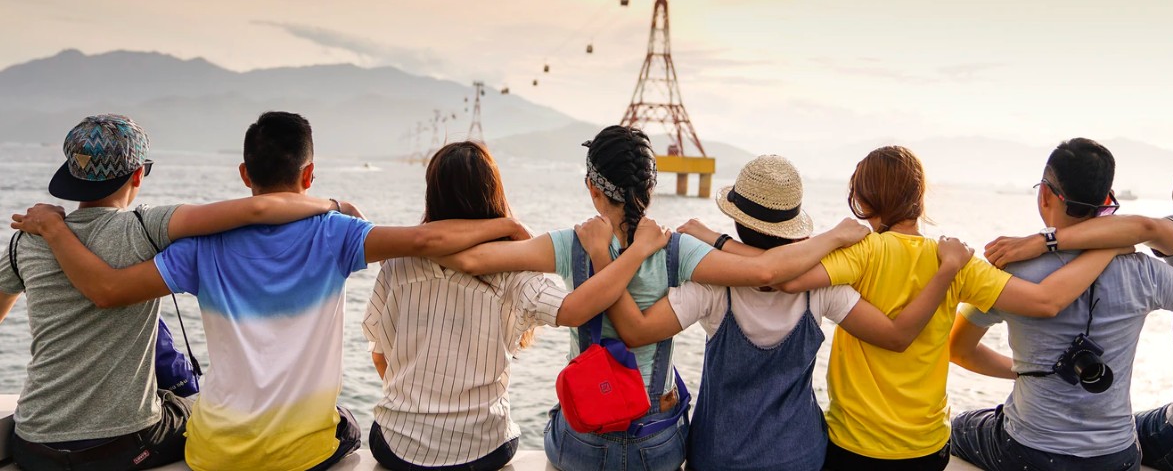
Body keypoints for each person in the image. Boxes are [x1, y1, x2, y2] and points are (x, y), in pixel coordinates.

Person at [10, 112, 533, 471]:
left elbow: (111, 288)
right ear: (309, 173)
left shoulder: (200, 244)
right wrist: (510, 227)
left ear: (244, 174)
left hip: (212, 453)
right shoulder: (339, 234)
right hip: (301, 456)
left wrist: (56, 233)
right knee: (346, 423)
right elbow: (427, 239)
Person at [436, 127, 871, 471]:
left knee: (559, 417)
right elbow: (766, 270)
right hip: (657, 443)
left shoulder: (571, 242)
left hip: (585, 442)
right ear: (651, 186)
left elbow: (470, 259)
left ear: (592, 188)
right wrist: (833, 236)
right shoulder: (678, 250)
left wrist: (508, 226)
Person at [686, 145, 1125, 470]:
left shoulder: (861, 253)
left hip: (855, 445)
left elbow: (778, 275)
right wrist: (1111, 242)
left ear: (866, 201)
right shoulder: (957, 262)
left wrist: (712, 240)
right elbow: (1045, 301)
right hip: (927, 447)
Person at [592, 154, 978, 471]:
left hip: (719, 456)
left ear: (738, 221)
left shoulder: (713, 287)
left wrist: (603, 259)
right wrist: (945, 270)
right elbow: (895, 336)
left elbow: (636, 331)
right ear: (794, 226)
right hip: (801, 455)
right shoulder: (824, 289)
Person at [0, 114, 342, 471]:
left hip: (33, 445)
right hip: (119, 449)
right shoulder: (146, 228)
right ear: (137, 175)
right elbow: (258, 209)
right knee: (197, 410)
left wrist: (53, 227)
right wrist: (334, 206)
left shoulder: (26, 240)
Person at [947, 137, 1173, 471]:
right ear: (1107, 202)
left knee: (957, 428)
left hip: (1031, 452)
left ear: (1044, 194)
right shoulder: (1146, 272)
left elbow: (957, 348)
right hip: (1118, 457)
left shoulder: (1008, 271)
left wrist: (1025, 373)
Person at [362, 142, 673, 471]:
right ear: (493, 194)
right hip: (484, 448)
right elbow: (575, 309)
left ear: (432, 195)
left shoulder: (397, 264)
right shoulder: (514, 272)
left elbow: (380, 355)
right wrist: (635, 252)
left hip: (397, 446)